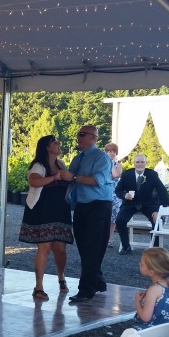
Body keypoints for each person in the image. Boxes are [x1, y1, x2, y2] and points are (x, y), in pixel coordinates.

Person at [62, 124, 114, 303]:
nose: (79, 137)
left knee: (92, 247)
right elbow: (70, 178)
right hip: (82, 206)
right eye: (78, 133)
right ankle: (97, 281)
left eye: (83, 134)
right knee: (85, 246)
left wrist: (74, 178)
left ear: (94, 138)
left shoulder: (101, 157)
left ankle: (86, 289)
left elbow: (97, 180)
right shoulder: (78, 158)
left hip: (98, 206)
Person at [19, 136, 73, 300]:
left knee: (60, 248)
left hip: (60, 209)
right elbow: (34, 181)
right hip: (42, 209)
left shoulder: (61, 164)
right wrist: (56, 177)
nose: (58, 144)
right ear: (47, 147)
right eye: (55, 142)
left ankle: (61, 277)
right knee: (44, 248)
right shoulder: (38, 165)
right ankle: (39, 287)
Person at [114, 153, 169, 255]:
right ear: (134, 163)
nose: (140, 164)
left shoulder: (152, 174)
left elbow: (162, 191)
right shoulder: (127, 174)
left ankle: (155, 249)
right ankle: (126, 246)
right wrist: (124, 195)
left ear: (146, 163)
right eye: (137, 162)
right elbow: (118, 190)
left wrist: (159, 211)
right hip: (130, 203)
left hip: (148, 204)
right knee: (120, 221)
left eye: (142, 162)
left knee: (157, 220)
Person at [132, 247, 169, 330]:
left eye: (142, 264)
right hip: (162, 334)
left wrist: (137, 302)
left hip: (147, 334)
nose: (139, 264)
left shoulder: (154, 290)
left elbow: (145, 317)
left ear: (151, 272)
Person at [105, 143, 123, 243]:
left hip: (115, 195)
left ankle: (108, 239)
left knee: (113, 219)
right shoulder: (102, 164)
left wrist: (111, 163)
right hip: (104, 193)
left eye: (113, 151)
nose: (111, 153)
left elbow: (116, 175)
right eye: (109, 151)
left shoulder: (118, 165)